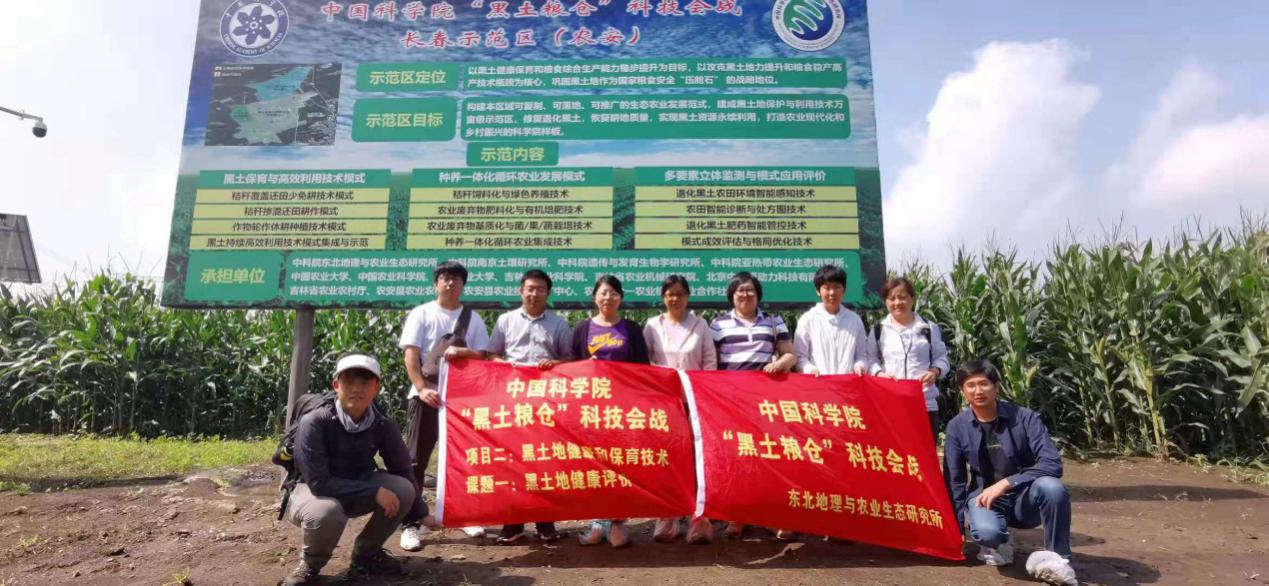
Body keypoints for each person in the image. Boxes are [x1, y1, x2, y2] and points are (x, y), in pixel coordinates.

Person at [282, 353, 417, 585]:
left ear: (376, 387)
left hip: (355, 483)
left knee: (403, 489)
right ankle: (310, 566)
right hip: (310, 491)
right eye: (349, 381)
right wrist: (374, 492)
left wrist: (420, 513)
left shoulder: (381, 423)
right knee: (327, 510)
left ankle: (367, 555)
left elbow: (403, 469)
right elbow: (319, 483)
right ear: (336, 385)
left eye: (365, 382)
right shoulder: (315, 421)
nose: (357, 388)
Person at [944, 360, 1077, 586]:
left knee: (1053, 488)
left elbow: (1052, 463)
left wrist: (1007, 482)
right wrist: (956, 531)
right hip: (984, 499)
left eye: (984, 384)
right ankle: (1000, 541)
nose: (978, 391)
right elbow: (954, 481)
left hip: (1025, 499)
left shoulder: (1025, 418)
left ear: (996, 387)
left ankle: (1058, 559)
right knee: (987, 533)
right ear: (962, 391)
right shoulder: (957, 426)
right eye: (971, 385)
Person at [398, 261, 490, 551]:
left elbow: (483, 355)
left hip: (461, 401)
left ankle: (462, 514)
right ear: (435, 283)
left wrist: (464, 351)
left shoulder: (473, 319)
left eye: (456, 279)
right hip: (425, 396)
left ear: (463, 285)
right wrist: (422, 388)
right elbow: (411, 355)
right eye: (445, 278)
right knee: (416, 460)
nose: (450, 283)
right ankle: (411, 522)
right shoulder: (421, 313)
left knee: (462, 459)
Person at [483, 269, 573, 545]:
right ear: (521, 291)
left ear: (548, 293)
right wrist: (506, 365)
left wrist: (554, 364)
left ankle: (546, 522)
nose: (534, 294)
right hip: (513, 401)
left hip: (546, 402)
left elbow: (570, 359)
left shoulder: (559, 324)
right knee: (513, 460)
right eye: (530, 288)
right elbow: (491, 354)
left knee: (545, 460)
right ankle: (513, 523)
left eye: (540, 289)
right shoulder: (505, 321)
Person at [709, 271, 797, 540]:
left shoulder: (773, 321)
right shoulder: (718, 325)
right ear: (731, 296)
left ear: (758, 294)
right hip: (731, 402)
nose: (745, 295)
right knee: (737, 457)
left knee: (769, 456)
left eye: (750, 290)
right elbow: (711, 364)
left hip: (766, 402)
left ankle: (771, 516)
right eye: (740, 290)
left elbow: (791, 354)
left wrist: (779, 364)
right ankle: (738, 516)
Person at [572, 274, 649, 547]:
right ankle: (598, 520)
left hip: (622, 408)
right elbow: (570, 367)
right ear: (595, 297)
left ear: (621, 298)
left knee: (620, 462)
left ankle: (616, 521)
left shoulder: (632, 329)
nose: (608, 297)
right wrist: (586, 366)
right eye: (603, 293)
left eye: (614, 293)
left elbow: (643, 368)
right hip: (590, 409)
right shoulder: (582, 329)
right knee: (594, 464)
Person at [643, 275, 717, 544]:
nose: (675, 298)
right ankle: (668, 515)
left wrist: (703, 395)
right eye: (670, 294)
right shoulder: (652, 325)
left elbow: (709, 362)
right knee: (667, 458)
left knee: (696, 459)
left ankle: (698, 517)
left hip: (694, 403)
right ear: (663, 297)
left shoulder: (700, 324)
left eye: (680, 293)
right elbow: (645, 363)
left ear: (688, 296)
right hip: (663, 404)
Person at [870, 277, 951, 444]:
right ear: (886, 302)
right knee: (893, 452)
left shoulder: (928, 328)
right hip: (890, 403)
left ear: (912, 299)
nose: (897, 303)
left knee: (924, 451)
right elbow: (869, 359)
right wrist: (879, 374)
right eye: (891, 298)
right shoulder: (878, 330)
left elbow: (942, 357)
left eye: (902, 297)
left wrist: (935, 371)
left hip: (924, 403)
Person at [794, 264, 870, 377]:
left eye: (837, 287)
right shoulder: (807, 319)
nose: (832, 293)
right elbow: (800, 357)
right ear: (818, 291)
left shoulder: (854, 320)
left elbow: (862, 356)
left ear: (844, 290)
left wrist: (860, 366)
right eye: (827, 287)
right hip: (818, 383)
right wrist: (810, 369)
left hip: (848, 384)